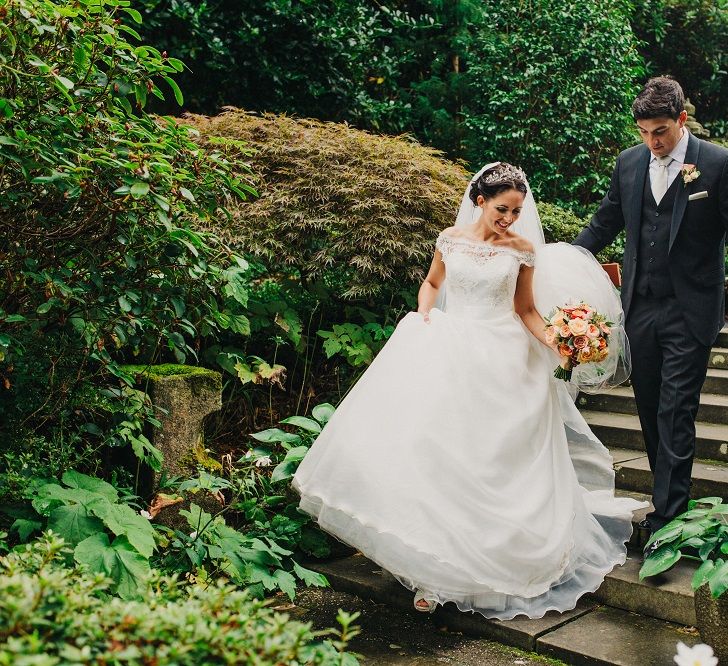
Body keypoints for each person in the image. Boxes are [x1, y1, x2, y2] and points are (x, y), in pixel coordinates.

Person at [293, 162, 645, 619]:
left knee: (495, 460)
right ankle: (430, 573)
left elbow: (526, 311)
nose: (510, 219)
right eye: (502, 209)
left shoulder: (521, 250)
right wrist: (423, 315)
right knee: (439, 458)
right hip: (452, 351)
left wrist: (559, 342)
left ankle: (494, 559)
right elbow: (433, 283)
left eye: (517, 211)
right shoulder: (449, 239)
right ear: (479, 200)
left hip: (505, 359)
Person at [573, 77, 728, 547]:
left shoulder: (718, 164)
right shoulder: (630, 163)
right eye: (644, 132)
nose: (652, 141)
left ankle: (667, 517)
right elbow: (604, 223)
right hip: (639, 308)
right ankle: (668, 500)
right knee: (647, 408)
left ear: (681, 120)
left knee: (675, 410)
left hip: (691, 310)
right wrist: (560, 262)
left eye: (660, 131)